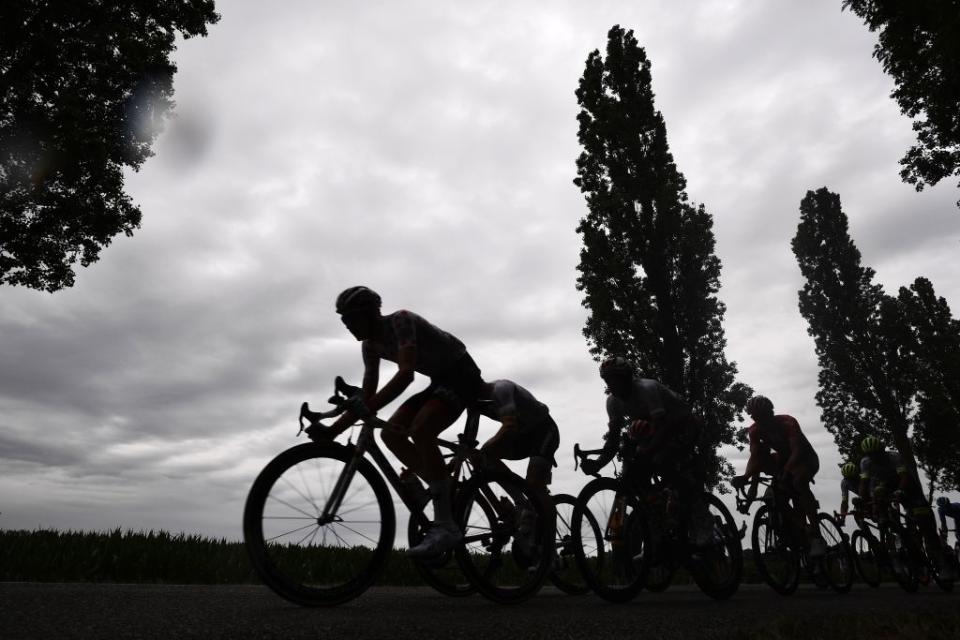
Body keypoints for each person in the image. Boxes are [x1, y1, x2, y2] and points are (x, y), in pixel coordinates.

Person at [321, 286, 484, 557]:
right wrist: (332, 430)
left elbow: (406, 374)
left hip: (462, 373)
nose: (347, 327)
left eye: (351, 320)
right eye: (343, 322)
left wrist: (353, 415)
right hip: (439, 381)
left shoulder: (401, 320)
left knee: (421, 430)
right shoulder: (370, 346)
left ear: (371, 313)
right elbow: (368, 395)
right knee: (391, 435)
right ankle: (442, 490)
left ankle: (446, 525)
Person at [583, 356, 712, 546]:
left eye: (615, 379)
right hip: (656, 428)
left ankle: (702, 518)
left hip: (683, 425)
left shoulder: (646, 389)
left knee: (663, 461)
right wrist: (598, 463)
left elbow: (663, 429)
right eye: (607, 380)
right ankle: (657, 517)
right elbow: (613, 441)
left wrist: (647, 452)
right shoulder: (612, 402)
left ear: (627, 377)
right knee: (634, 473)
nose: (611, 384)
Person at [731, 395, 825, 556]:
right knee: (775, 498)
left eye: (763, 416)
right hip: (783, 460)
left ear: (770, 413)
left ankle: (816, 536)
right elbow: (756, 458)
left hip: (805, 459)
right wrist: (747, 478)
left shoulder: (787, 422)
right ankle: (800, 527)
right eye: (756, 417)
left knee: (798, 483)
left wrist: (787, 471)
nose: (760, 421)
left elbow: (797, 450)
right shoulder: (754, 430)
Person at [858, 435, 954, 580]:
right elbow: (864, 484)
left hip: (908, 487)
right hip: (886, 485)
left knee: (925, 525)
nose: (875, 457)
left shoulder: (894, 457)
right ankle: (892, 528)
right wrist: (864, 502)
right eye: (871, 455)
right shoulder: (865, 462)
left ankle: (941, 563)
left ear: (882, 450)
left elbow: (904, 477)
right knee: (878, 493)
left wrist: (900, 491)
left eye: (877, 453)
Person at [476, 378, 559, 501]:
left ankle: (544, 512)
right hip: (521, 434)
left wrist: (488, 445)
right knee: (485, 456)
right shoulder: (473, 402)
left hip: (543, 431)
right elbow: (468, 442)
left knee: (534, 484)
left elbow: (510, 425)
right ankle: (522, 503)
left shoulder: (501, 389)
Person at [838, 461, 867, 529]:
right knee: (856, 514)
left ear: (857, 474)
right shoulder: (844, 483)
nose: (851, 481)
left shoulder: (863, 476)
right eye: (848, 479)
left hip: (869, 493)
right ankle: (869, 536)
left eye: (852, 478)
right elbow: (844, 501)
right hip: (862, 497)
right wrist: (843, 518)